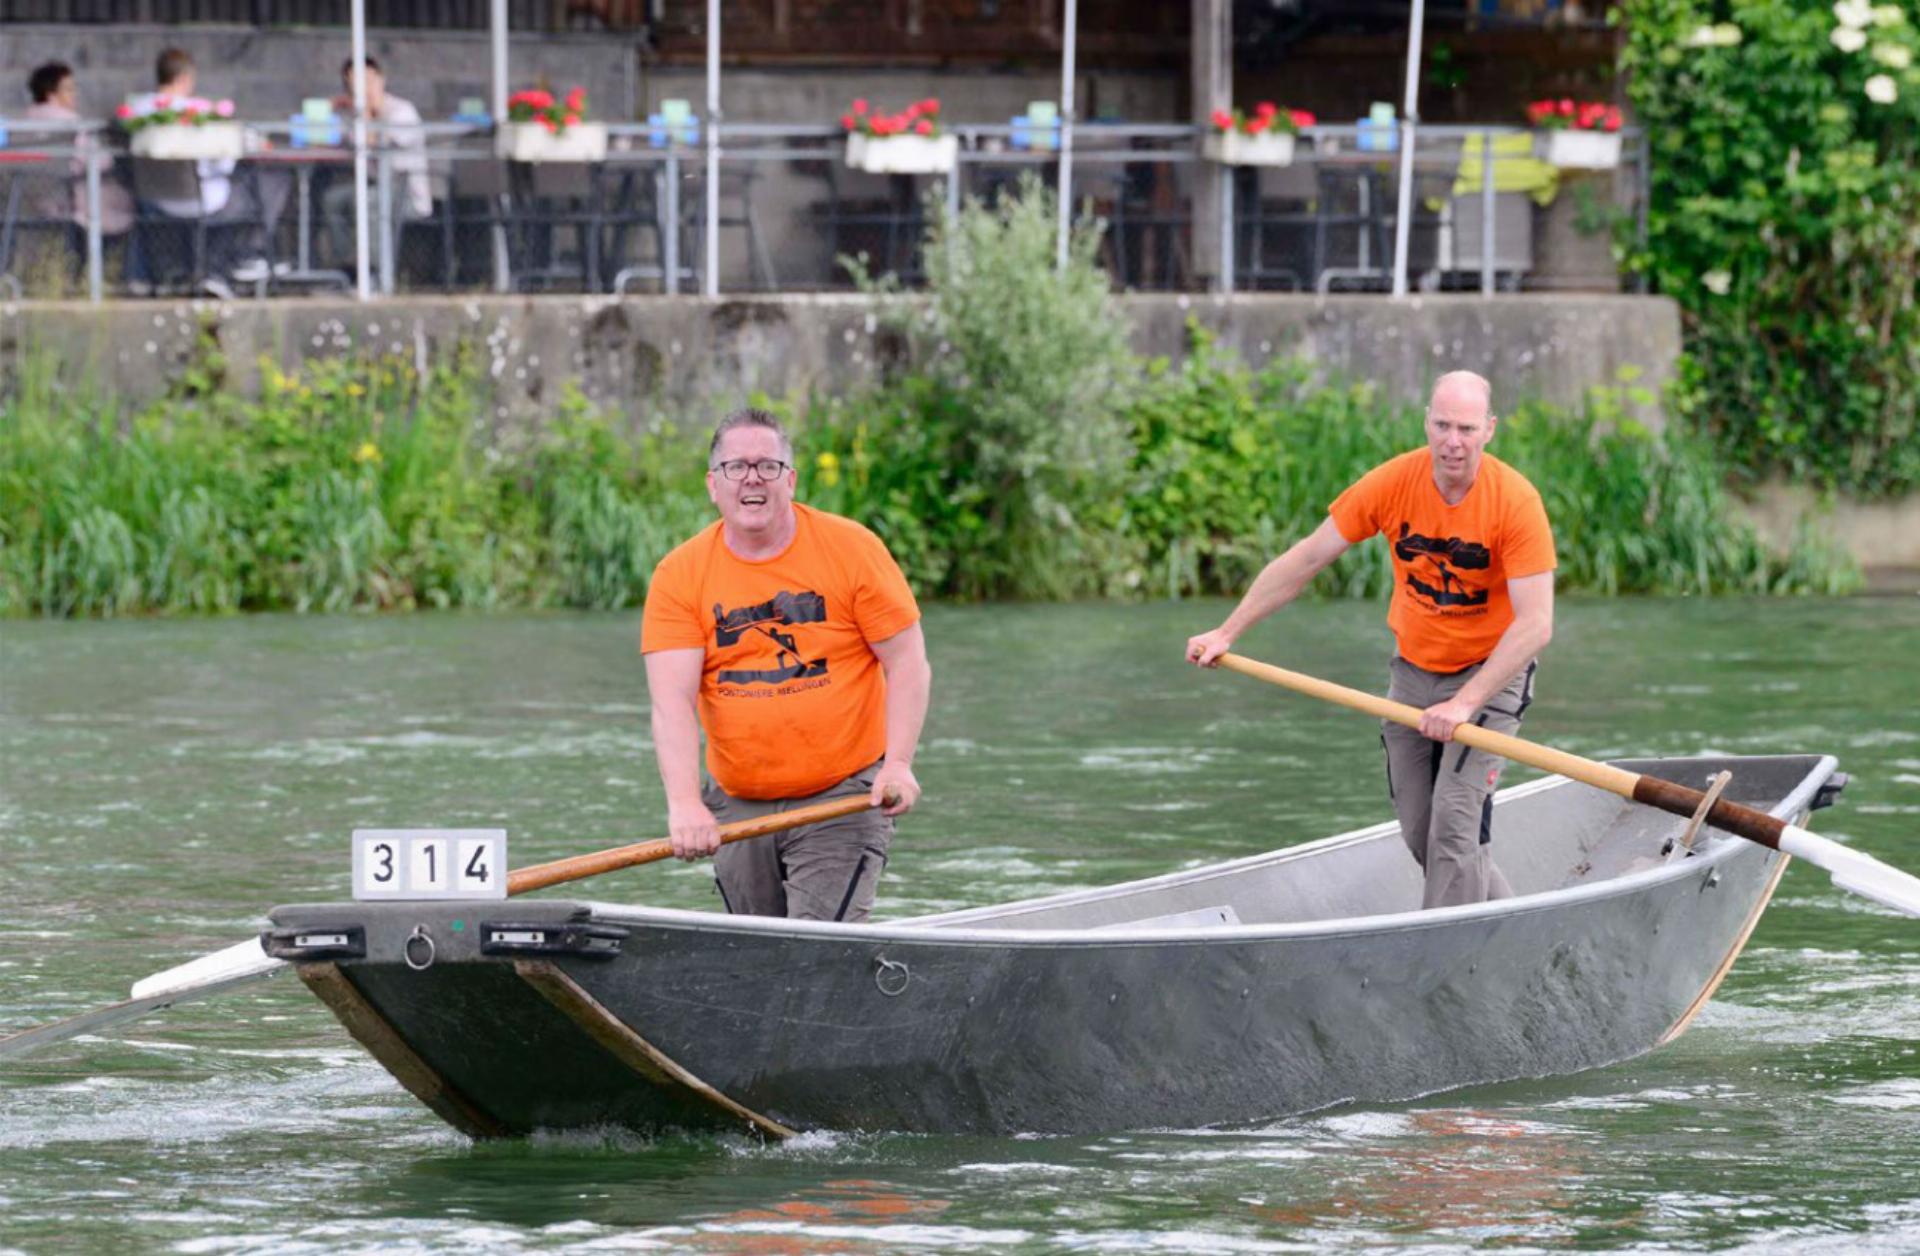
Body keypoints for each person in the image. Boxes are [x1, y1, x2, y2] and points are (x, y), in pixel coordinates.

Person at [1185, 371, 1555, 909]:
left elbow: (1536, 625)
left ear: (1490, 431)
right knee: (1421, 832)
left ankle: (1438, 960)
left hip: (1489, 677)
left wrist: (1465, 702)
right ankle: (1514, 923)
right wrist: (1226, 631)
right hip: (1412, 673)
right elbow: (1308, 558)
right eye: (1443, 425)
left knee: (1454, 827)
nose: (1454, 441)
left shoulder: (1516, 502)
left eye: (1467, 428)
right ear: (1426, 423)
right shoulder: (1392, 483)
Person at [640, 409, 932, 922]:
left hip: (840, 798)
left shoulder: (853, 550)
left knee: (815, 952)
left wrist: (899, 765)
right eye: (736, 467)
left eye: (768, 466)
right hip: (740, 803)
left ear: (790, 480)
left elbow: (908, 664)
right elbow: (672, 703)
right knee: (759, 958)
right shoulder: (679, 575)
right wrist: (685, 803)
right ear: (713, 485)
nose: (752, 477)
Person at [125, 48, 291, 295]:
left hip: (152, 200)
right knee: (268, 185)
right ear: (184, 79)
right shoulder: (197, 112)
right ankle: (238, 260)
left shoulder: (137, 110)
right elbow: (222, 161)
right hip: (196, 198)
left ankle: (213, 267)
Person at [323, 56, 433, 270]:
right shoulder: (355, 116)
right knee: (332, 200)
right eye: (354, 83)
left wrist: (366, 114)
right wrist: (327, 110)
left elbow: (376, 143)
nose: (363, 87)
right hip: (372, 184)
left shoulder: (402, 111)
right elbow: (343, 144)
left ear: (381, 80)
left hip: (406, 191)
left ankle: (376, 271)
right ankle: (346, 266)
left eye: (368, 80)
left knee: (368, 200)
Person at [23, 62, 135, 248]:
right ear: (51, 94)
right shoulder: (71, 125)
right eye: (68, 89)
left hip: (36, 199)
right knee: (135, 205)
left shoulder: (26, 124)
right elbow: (103, 162)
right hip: (77, 200)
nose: (74, 93)